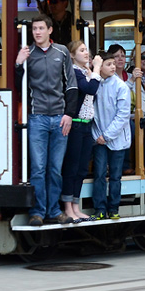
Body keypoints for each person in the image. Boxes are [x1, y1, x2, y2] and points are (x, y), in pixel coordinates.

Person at [15, 15, 78, 226]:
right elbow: (18, 86)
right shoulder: (28, 53)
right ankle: (37, 212)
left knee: (54, 168)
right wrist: (18, 63)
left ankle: (53, 210)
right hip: (37, 117)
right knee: (39, 168)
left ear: (50, 30)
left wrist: (69, 114)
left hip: (60, 117)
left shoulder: (61, 52)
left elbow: (71, 86)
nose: (37, 32)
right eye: (34, 29)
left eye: (41, 28)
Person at [60, 41, 102, 223]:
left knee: (82, 168)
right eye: (82, 50)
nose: (86, 53)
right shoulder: (74, 73)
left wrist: (93, 71)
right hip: (75, 124)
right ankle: (67, 207)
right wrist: (98, 67)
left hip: (86, 124)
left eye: (87, 50)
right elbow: (90, 88)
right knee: (72, 167)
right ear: (71, 54)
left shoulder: (87, 73)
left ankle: (76, 206)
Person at [90, 53, 132, 220]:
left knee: (115, 175)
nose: (113, 67)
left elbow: (122, 115)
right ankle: (99, 208)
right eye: (108, 64)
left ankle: (113, 208)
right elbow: (91, 113)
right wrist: (98, 136)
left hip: (116, 139)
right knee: (99, 174)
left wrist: (106, 136)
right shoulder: (95, 85)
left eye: (114, 64)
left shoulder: (121, 87)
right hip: (99, 138)